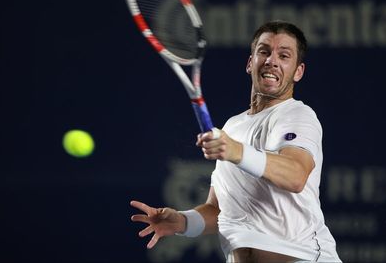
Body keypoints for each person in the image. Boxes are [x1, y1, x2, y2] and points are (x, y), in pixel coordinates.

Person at [130, 21, 341, 263]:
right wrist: (183, 221)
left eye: (284, 55)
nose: (272, 60)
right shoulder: (233, 127)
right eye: (264, 51)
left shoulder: (297, 115)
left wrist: (237, 151)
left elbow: (295, 176)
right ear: (250, 63)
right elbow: (219, 210)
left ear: (298, 72)